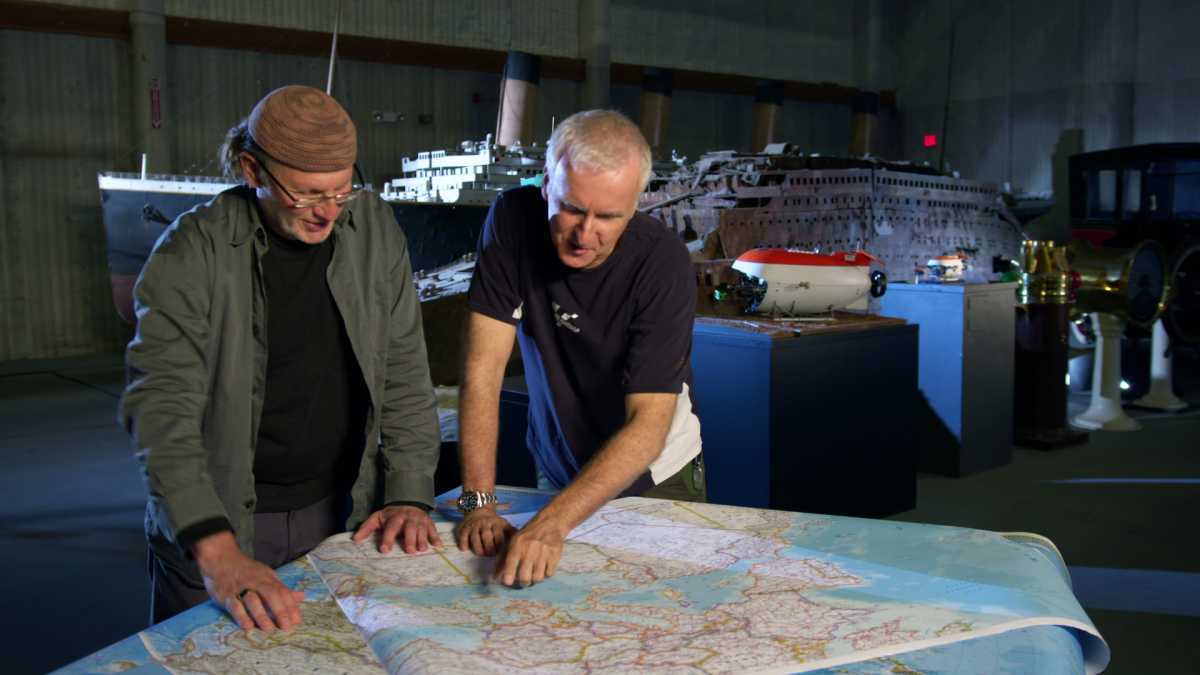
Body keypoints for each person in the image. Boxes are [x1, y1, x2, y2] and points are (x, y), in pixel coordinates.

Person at [121, 85, 442, 633]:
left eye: (343, 192)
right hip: (220, 521)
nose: (327, 213)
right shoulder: (190, 253)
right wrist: (217, 552)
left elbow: (406, 373)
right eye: (307, 194)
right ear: (253, 170)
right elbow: (161, 412)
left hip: (339, 511)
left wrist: (411, 491)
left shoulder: (376, 233)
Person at [455, 109, 704, 587]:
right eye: (572, 208)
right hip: (556, 464)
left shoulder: (663, 263)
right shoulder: (510, 220)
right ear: (547, 183)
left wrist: (551, 524)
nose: (584, 235)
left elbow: (648, 426)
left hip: (657, 475)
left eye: (609, 217)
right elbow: (481, 370)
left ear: (636, 205)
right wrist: (477, 503)